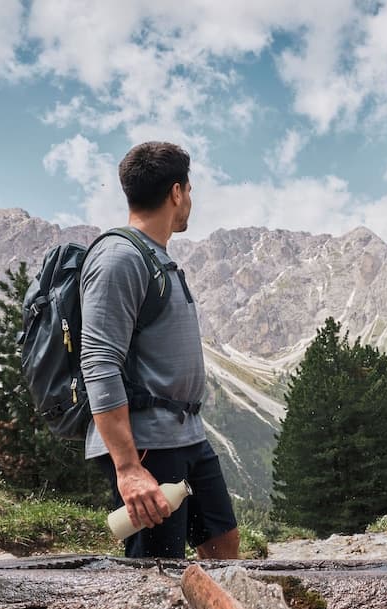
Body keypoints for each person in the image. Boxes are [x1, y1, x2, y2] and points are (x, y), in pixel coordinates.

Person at [80, 141, 239, 559]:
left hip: (186, 435)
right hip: (147, 443)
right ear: (176, 192)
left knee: (222, 544)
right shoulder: (118, 257)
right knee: (157, 570)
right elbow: (98, 361)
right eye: (190, 190)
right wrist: (128, 468)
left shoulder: (154, 256)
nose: (190, 201)